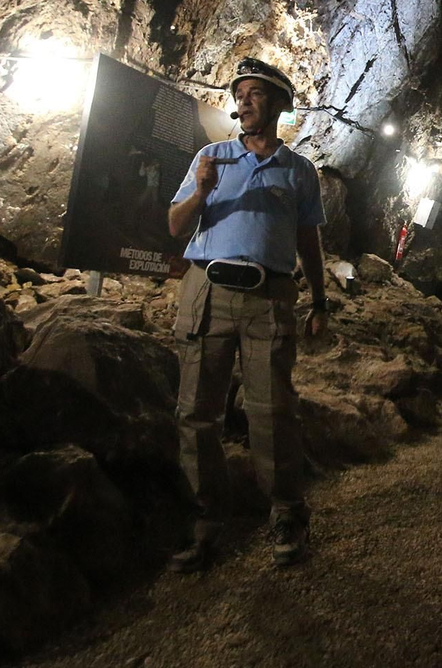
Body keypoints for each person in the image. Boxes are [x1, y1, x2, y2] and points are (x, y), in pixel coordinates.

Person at [166, 56, 328, 572]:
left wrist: (320, 300)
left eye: (256, 93)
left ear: (279, 104)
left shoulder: (299, 172)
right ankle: (206, 522)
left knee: (273, 411)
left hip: (268, 298)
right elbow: (174, 225)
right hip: (205, 292)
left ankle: (286, 516)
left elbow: (308, 241)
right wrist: (202, 190)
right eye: (241, 94)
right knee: (196, 413)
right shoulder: (211, 157)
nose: (244, 101)